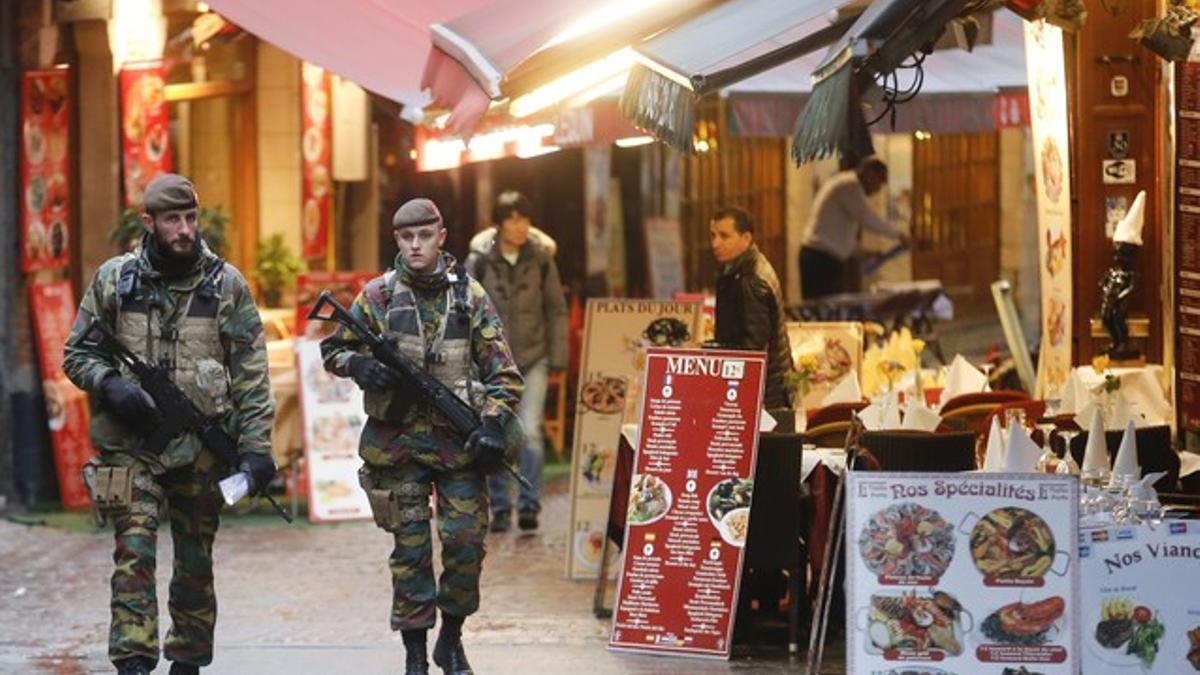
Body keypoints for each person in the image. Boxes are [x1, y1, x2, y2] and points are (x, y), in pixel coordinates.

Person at [62, 173, 276, 675]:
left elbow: (251, 371)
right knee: (133, 553)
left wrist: (256, 447)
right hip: (131, 450)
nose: (184, 229)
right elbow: (77, 352)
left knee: (195, 563)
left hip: (200, 454)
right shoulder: (115, 280)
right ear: (149, 223)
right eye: (172, 219)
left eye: (190, 218)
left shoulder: (225, 285)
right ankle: (133, 661)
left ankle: (187, 661)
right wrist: (110, 384)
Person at [321, 198, 523, 675]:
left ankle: (449, 640)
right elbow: (333, 348)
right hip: (398, 449)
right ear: (397, 240)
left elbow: (505, 374)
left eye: (424, 237)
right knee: (409, 555)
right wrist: (360, 366)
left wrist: (493, 423)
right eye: (407, 238)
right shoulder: (377, 297)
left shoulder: (469, 296)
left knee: (465, 545)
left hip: (459, 450)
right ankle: (414, 655)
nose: (416, 245)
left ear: (441, 237)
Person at [465, 190, 567, 533]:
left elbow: (555, 309)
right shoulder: (479, 261)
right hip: (491, 362)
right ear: (499, 224)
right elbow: (464, 311)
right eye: (512, 219)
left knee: (531, 433)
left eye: (524, 219)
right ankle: (500, 507)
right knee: (496, 432)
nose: (520, 226)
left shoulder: (541, 259)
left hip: (534, 357)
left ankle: (528, 504)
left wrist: (559, 356)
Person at [709, 206, 795, 410]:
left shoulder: (752, 279)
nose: (715, 243)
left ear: (746, 238)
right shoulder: (737, 270)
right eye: (712, 235)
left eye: (724, 236)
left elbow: (754, 349)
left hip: (765, 396)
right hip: (758, 390)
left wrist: (709, 351)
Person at [799, 156, 909, 299]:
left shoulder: (845, 184)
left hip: (822, 258)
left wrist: (862, 253)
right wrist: (899, 235)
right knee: (823, 308)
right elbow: (867, 218)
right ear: (870, 174)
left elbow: (838, 234)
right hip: (820, 260)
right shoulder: (849, 185)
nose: (878, 189)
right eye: (879, 183)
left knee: (829, 309)